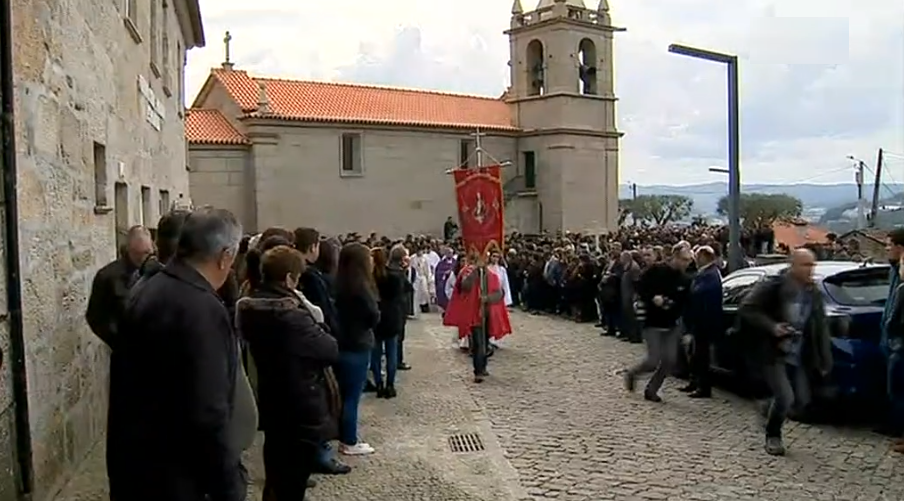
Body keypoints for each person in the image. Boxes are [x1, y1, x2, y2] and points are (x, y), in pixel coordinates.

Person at [107, 207, 247, 501]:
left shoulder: (149, 288)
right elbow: (208, 410)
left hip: (138, 468)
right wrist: (229, 487)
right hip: (177, 478)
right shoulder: (201, 308)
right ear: (224, 256)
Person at [236, 245, 338, 500]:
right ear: (290, 278)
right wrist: (312, 312)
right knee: (292, 481)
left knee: (276, 471)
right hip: (300, 402)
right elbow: (329, 348)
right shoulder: (291, 316)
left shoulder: (250, 307)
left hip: (271, 396)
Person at [738, 248, 832, 456]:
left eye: (812, 265)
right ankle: (773, 435)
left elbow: (819, 325)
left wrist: (825, 357)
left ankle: (767, 408)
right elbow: (747, 308)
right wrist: (773, 327)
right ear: (793, 265)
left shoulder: (812, 292)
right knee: (785, 397)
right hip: (774, 351)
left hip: (799, 352)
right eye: (805, 265)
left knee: (802, 400)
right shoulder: (774, 286)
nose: (810, 270)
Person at [623, 244, 693, 402]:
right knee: (653, 360)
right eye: (683, 259)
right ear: (674, 256)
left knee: (669, 360)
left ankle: (652, 389)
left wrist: (686, 328)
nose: (685, 263)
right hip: (653, 322)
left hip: (672, 324)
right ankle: (632, 373)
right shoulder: (655, 270)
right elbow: (640, 286)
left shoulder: (685, 279)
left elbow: (686, 304)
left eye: (688, 260)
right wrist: (652, 297)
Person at [334, 242, 381, 456]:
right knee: (352, 396)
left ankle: (341, 435)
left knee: (341, 395)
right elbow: (373, 316)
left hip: (339, 344)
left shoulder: (335, 284)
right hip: (357, 345)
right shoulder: (361, 289)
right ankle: (349, 440)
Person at [444, 251, 512, 383]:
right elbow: (464, 286)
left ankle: (483, 366)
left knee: (485, 342)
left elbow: (499, 293)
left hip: (488, 314)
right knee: (478, 343)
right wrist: (475, 273)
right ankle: (478, 371)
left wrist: (487, 298)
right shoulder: (468, 273)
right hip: (475, 314)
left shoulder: (492, 276)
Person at [86, 225, 153, 348]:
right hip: (125, 351)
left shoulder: (157, 271)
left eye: (147, 253)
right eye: (138, 254)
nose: (143, 258)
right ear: (129, 250)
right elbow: (95, 317)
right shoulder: (107, 276)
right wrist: (118, 342)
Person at [681, 245, 723, 398]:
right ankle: (695, 382)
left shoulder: (711, 275)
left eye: (697, 257)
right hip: (698, 322)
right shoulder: (704, 273)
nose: (695, 260)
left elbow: (702, 297)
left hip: (704, 323)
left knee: (702, 356)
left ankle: (704, 387)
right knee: (694, 354)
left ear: (704, 257)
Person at [370, 245, 408, 398]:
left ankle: (379, 383)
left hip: (377, 315)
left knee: (376, 353)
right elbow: (405, 291)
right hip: (392, 315)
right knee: (391, 353)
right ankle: (390, 385)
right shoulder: (396, 276)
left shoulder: (373, 277)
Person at [879, 228, 904, 441]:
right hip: (888, 336)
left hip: (900, 339)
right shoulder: (893, 270)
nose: (886, 249)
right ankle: (892, 425)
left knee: (899, 388)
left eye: (889, 245)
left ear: (900, 248)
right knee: (891, 386)